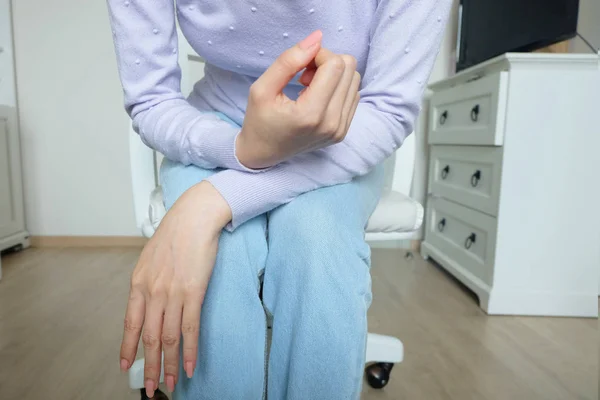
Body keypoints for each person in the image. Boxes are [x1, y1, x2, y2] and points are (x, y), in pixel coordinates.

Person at [107, 1, 450, 398]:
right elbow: (151, 99)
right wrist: (242, 149)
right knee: (221, 259)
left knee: (318, 241)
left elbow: (388, 107)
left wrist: (215, 200)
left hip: (341, 135)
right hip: (214, 128)